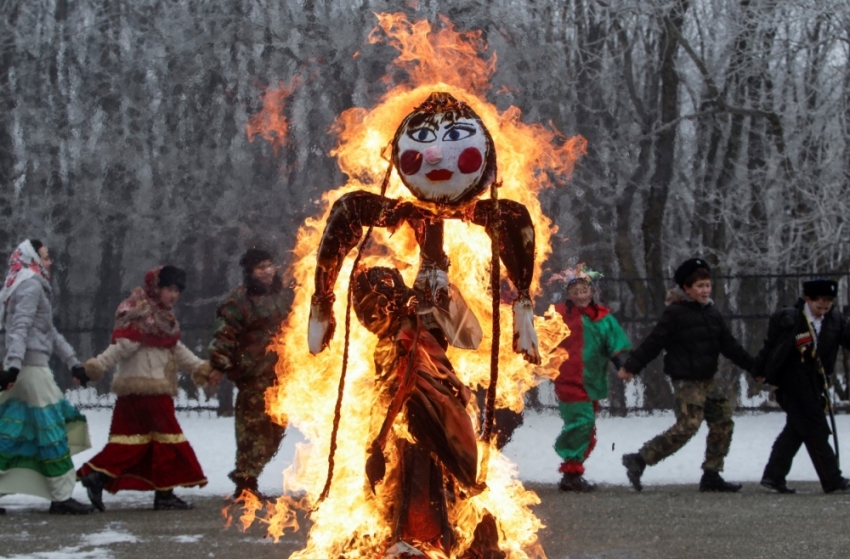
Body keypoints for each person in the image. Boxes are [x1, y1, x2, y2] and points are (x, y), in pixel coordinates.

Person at [77, 265, 216, 511]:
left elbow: (176, 349)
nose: (173, 295)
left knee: (133, 443)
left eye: (177, 290)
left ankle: (97, 477)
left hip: (141, 392)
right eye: (168, 289)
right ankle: (162, 495)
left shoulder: (162, 319)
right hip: (149, 390)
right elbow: (122, 348)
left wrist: (200, 368)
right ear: (156, 288)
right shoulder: (142, 315)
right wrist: (95, 367)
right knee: (168, 441)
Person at [618, 258, 754, 492]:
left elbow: (730, 346)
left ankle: (712, 474)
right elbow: (654, 342)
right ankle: (639, 459)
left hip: (708, 380)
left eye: (707, 285)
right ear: (687, 289)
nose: (704, 290)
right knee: (688, 425)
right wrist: (632, 366)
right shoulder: (675, 314)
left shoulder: (713, 314)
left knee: (723, 421)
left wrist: (756, 369)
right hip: (686, 381)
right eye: (699, 286)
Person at [0, 239, 95, 515]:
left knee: (13, 433)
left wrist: (73, 363)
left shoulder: (20, 283)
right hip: (32, 371)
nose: (50, 261)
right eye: (45, 256)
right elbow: (20, 327)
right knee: (53, 431)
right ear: (32, 258)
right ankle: (61, 496)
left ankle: (58, 494)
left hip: (26, 369)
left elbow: (48, 332)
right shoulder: (30, 285)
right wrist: (14, 367)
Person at [208, 248, 291, 499]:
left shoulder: (284, 296)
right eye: (260, 268)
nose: (266, 272)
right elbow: (224, 335)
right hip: (253, 376)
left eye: (269, 265)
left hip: (283, 374)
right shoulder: (239, 301)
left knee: (275, 430)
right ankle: (245, 482)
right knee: (252, 430)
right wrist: (218, 365)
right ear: (250, 272)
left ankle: (252, 476)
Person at [754, 279, 850, 493]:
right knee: (816, 429)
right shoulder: (791, 318)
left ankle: (773, 476)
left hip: (815, 384)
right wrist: (759, 369)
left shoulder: (836, 321)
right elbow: (771, 345)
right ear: (808, 300)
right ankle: (833, 481)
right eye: (819, 307)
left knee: (796, 430)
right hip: (792, 383)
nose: (823, 312)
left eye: (828, 307)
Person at [552, 264, 631, 492]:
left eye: (583, 290)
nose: (580, 295)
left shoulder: (602, 318)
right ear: (568, 294)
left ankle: (573, 470)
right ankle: (570, 471)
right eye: (575, 291)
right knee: (581, 422)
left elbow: (614, 344)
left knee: (587, 425)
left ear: (591, 291)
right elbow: (542, 340)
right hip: (567, 380)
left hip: (592, 381)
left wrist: (622, 366)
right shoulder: (558, 316)